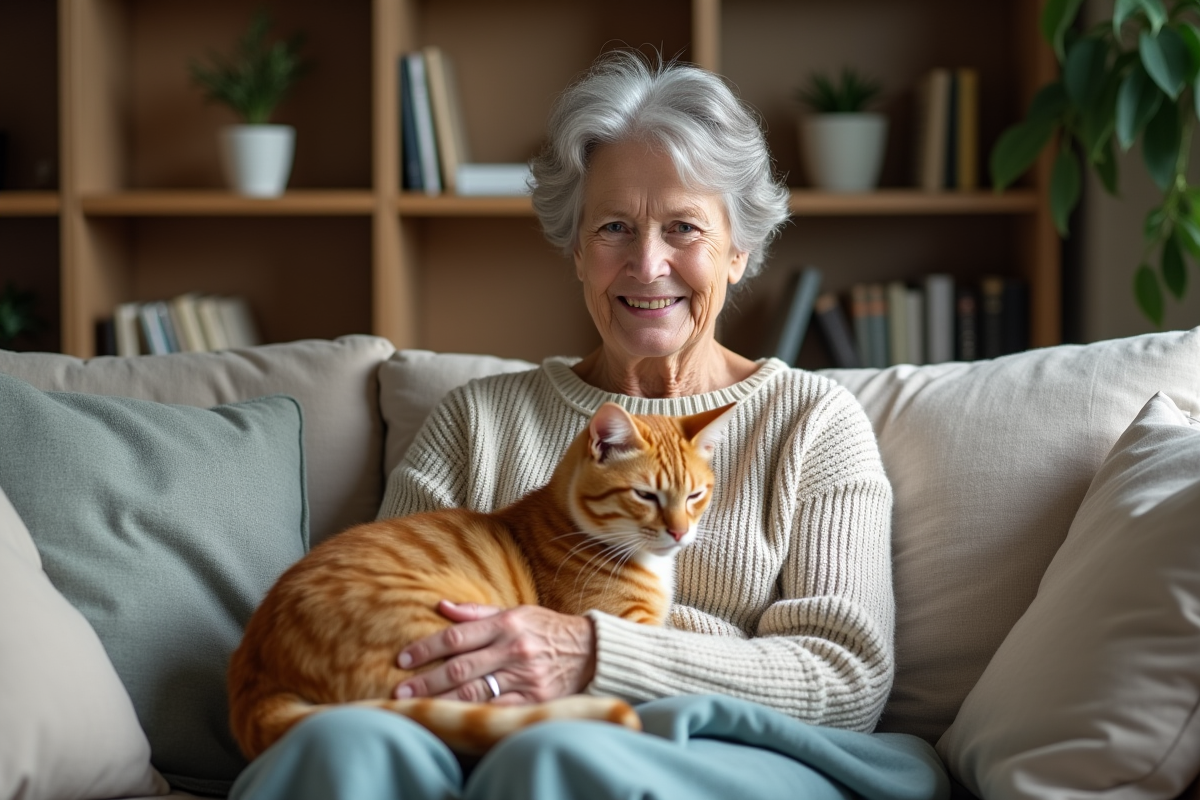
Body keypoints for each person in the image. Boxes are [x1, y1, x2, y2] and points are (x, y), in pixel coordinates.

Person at [230, 51, 948, 800]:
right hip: (474, 732)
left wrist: (594, 651)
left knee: (553, 757)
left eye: (683, 228)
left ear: (738, 253)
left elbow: (847, 681)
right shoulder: (476, 420)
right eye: (614, 228)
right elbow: (391, 644)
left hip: (712, 746)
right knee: (339, 744)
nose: (647, 264)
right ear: (576, 251)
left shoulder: (811, 422)